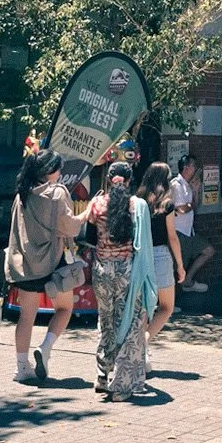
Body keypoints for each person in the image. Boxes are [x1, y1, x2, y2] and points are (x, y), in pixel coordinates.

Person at [4, 148, 88, 385]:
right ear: (50, 170)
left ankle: (22, 367)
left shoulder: (22, 194)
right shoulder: (57, 193)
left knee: (26, 316)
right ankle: (46, 347)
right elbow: (69, 227)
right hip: (53, 263)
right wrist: (85, 215)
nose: (61, 173)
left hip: (24, 264)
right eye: (59, 168)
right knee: (64, 309)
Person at [87, 161, 158, 400]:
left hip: (101, 269)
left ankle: (101, 375)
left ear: (108, 179)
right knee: (126, 324)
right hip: (127, 271)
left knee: (105, 321)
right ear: (129, 181)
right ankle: (121, 380)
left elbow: (88, 231)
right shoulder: (137, 206)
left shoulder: (96, 204)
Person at [138, 161, 185, 339]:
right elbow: (172, 236)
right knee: (166, 306)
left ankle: (138, 349)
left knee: (142, 306)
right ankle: (145, 341)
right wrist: (180, 265)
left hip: (140, 254)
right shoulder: (166, 204)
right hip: (160, 255)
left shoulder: (137, 200)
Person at [170, 154, 213, 292]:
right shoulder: (176, 185)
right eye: (194, 165)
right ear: (186, 168)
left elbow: (195, 205)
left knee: (208, 251)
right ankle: (172, 301)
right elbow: (182, 209)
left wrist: (195, 191)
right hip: (179, 231)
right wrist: (191, 205)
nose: (196, 169)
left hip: (189, 231)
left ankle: (188, 280)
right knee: (176, 266)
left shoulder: (188, 185)